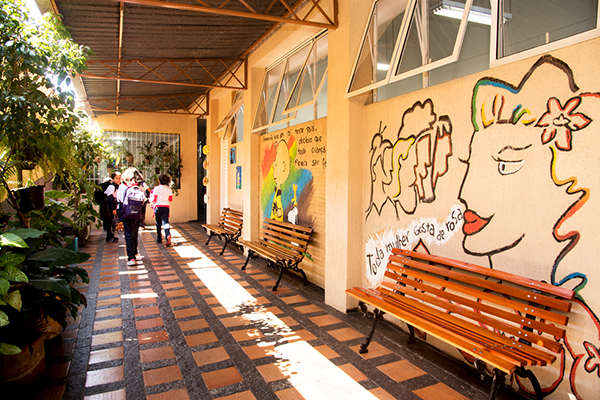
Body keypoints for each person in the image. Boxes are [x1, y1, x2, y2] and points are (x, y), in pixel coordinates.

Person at [117, 167, 147, 266]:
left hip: (127, 213)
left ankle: (131, 257)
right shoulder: (140, 186)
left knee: (128, 234)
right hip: (138, 212)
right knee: (135, 232)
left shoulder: (123, 187)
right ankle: (135, 252)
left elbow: (120, 200)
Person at [150, 174, 173, 246]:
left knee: (158, 223)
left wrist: (150, 200)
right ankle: (167, 234)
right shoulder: (169, 189)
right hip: (166, 207)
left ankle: (159, 239)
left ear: (159, 180)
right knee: (166, 222)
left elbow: (153, 199)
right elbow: (170, 199)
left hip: (158, 207)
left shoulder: (156, 188)